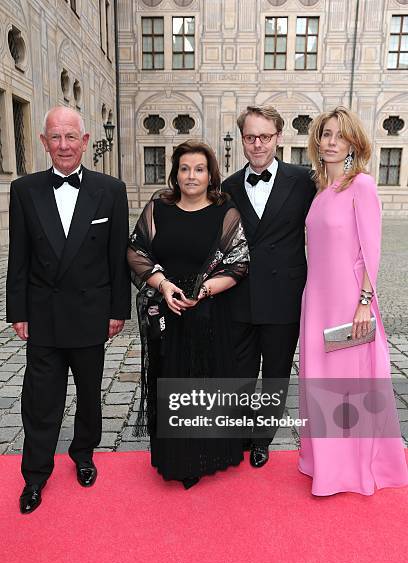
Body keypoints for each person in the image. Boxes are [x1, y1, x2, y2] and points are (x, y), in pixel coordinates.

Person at [6, 106, 131, 513]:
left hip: (91, 312)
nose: (63, 146)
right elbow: (19, 257)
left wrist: (118, 309)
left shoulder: (110, 190)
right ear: (43, 142)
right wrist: (17, 311)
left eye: (70, 137)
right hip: (43, 314)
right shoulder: (24, 190)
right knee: (41, 400)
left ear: (85, 141)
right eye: (55, 138)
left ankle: (83, 455)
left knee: (90, 394)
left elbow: (117, 257)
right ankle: (35, 475)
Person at [298, 106, 408, 495]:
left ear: (353, 143)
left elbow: (371, 251)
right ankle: (324, 461)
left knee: (349, 385)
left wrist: (364, 303)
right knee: (321, 381)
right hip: (317, 299)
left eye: (339, 136)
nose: (330, 142)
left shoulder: (362, 185)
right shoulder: (322, 189)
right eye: (325, 134)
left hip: (349, 300)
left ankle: (350, 468)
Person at [127, 140, 249, 489]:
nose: (191, 176)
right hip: (168, 310)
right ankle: (177, 457)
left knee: (206, 381)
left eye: (199, 169)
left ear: (210, 174)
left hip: (209, 311)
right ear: (175, 174)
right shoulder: (158, 207)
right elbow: (136, 251)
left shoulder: (225, 212)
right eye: (184, 168)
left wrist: (204, 291)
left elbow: (240, 263)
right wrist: (164, 286)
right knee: (171, 382)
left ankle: (207, 453)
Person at [222, 105, 316, 468]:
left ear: (278, 137)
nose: (258, 143)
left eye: (265, 136)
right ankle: (242, 435)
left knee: (276, 372)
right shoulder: (228, 187)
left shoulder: (304, 180)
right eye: (250, 137)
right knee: (241, 372)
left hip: (284, 296)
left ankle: (263, 439)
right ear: (243, 140)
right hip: (239, 297)